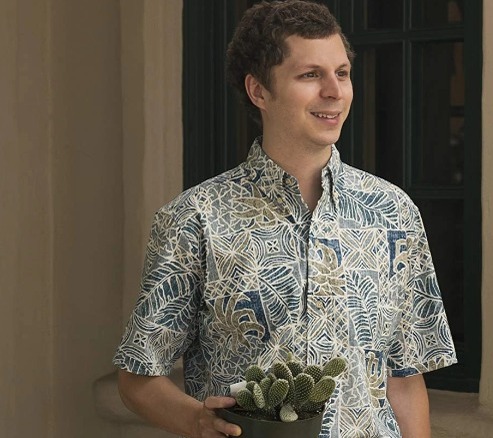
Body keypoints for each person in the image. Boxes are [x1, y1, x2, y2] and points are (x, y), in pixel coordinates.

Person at [113, 1, 457, 437]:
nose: (334, 91)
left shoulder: (393, 213)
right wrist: (197, 420)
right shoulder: (196, 218)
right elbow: (137, 378)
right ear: (259, 91)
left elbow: (405, 382)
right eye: (310, 75)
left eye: (343, 73)